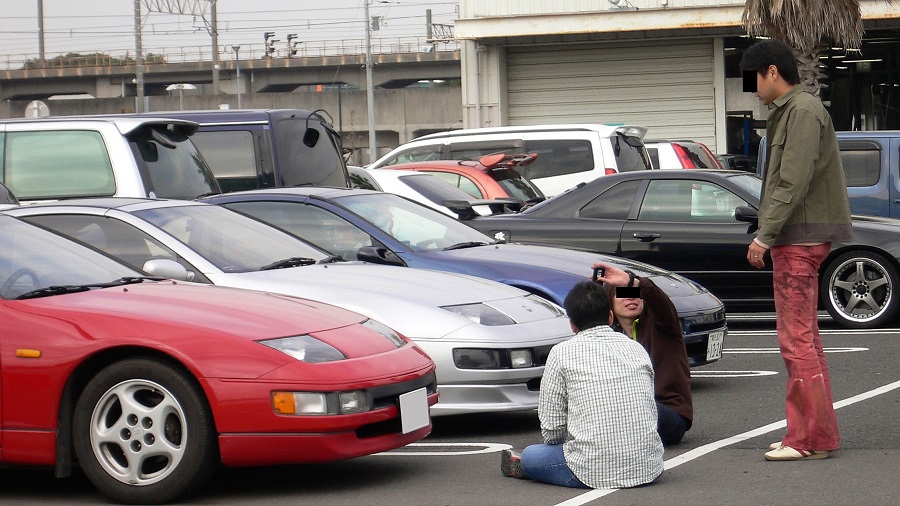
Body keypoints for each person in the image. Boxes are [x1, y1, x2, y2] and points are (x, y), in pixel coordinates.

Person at [740, 39, 852, 461]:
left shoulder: (801, 111)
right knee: (806, 340)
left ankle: (807, 440)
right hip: (802, 234)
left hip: (798, 237)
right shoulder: (794, 110)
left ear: (771, 71)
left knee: (796, 340)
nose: (751, 88)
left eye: (753, 78)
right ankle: (810, 434)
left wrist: (764, 235)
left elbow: (792, 181)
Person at [500, 281, 664, 489]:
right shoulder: (636, 348)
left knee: (532, 455)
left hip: (591, 468)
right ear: (610, 316)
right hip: (649, 467)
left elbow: (552, 430)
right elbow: (649, 406)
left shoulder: (561, 353)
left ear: (572, 324)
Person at [593, 263, 693, 446]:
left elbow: (660, 302)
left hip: (668, 414)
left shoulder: (663, 325)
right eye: (622, 293)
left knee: (632, 408)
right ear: (610, 303)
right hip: (626, 413)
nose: (631, 297)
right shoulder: (608, 337)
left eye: (635, 293)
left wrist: (633, 282)